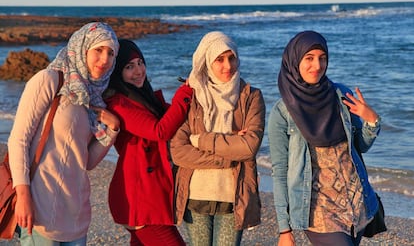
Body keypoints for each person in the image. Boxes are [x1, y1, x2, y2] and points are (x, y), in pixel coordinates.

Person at [8, 22, 120, 245]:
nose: (105, 60)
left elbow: (85, 161)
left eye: (111, 53)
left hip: (76, 213)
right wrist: (23, 196)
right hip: (40, 208)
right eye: (98, 50)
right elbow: (18, 139)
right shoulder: (50, 79)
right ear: (83, 47)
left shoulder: (93, 96)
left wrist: (113, 129)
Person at [268, 30, 381, 246]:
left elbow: (360, 147)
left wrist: (372, 121)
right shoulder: (282, 113)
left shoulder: (340, 95)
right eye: (309, 59)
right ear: (294, 61)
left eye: (322, 58)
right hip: (318, 213)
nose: (317, 66)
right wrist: (284, 229)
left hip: (356, 207)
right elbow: (280, 172)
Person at [170, 31, 265, 246]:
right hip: (195, 196)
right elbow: (178, 151)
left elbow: (249, 147)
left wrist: (200, 141)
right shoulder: (190, 95)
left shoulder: (251, 96)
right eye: (219, 59)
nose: (227, 66)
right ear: (207, 61)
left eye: (231, 58)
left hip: (233, 196)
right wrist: (229, 152)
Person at [103, 39, 192, 246]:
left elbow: (177, 119)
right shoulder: (119, 102)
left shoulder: (145, 98)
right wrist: (185, 94)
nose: (138, 71)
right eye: (129, 67)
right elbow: (159, 131)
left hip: (150, 195)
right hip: (139, 199)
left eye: (140, 63)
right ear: (117, 72)